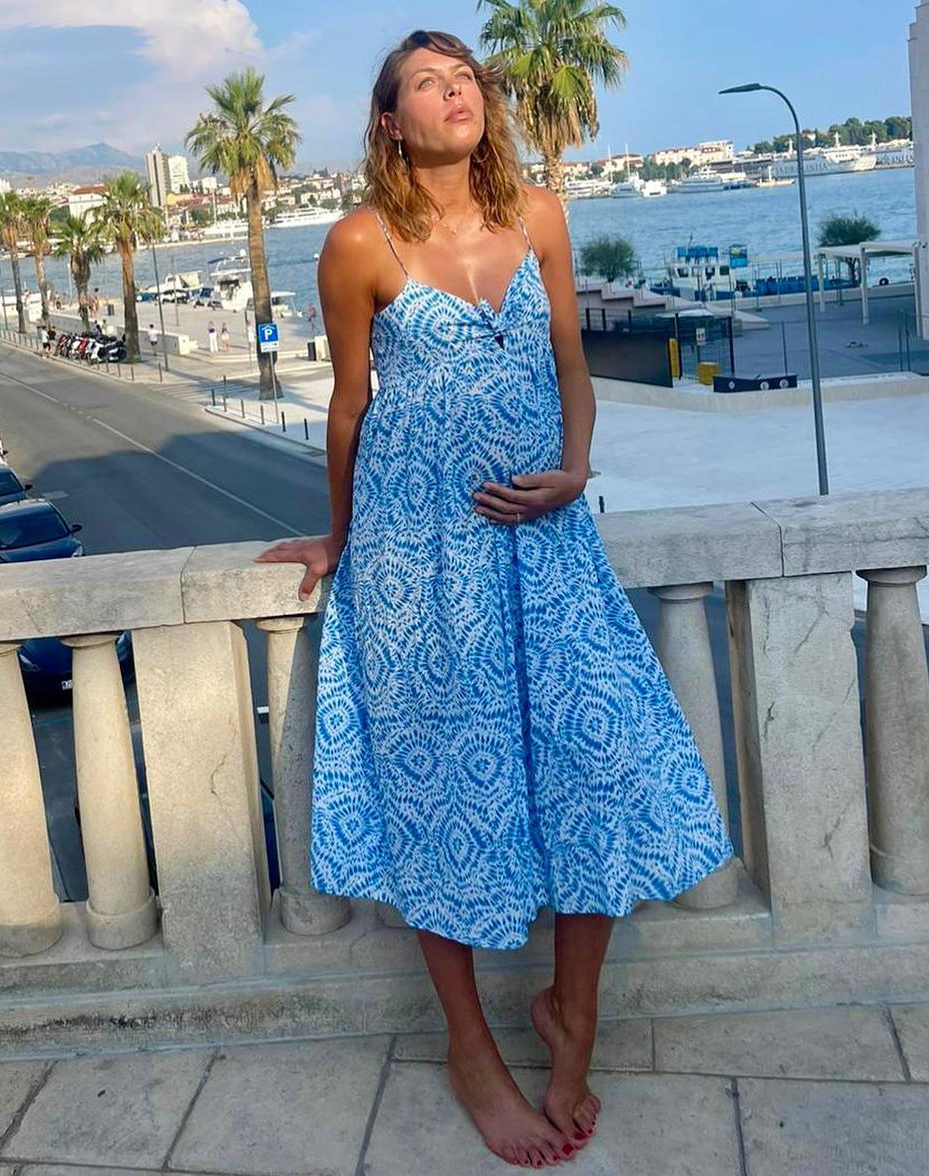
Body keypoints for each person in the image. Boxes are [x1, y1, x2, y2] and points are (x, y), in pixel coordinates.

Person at [253, 29, 733, 1170]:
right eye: (427, 82)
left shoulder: (541, 216)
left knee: (599, 758)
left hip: (548, 543)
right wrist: (339, 537)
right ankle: (471, 1051)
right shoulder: (359, 243)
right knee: (442, 791)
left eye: (464, 74)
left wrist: (575, 466)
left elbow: (571, 362)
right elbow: (349, 406)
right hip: (418, 563)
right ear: (390, 122)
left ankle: (574, 1014)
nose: (454, 90)